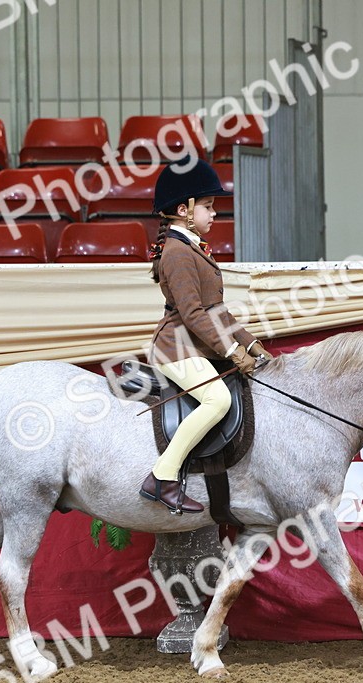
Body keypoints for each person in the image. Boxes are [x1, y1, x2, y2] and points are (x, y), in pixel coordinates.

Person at [140, 155, 274, 513]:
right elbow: (193, 314)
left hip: (195, 345)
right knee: (218, 400)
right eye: (209, 206)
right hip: (176, 348)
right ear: (184, 209)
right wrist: (232, 352)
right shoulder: (178, 253)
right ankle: (162, 476)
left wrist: (252, 344)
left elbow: (218, 310)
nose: (215, 214)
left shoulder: (191, 248)